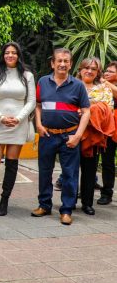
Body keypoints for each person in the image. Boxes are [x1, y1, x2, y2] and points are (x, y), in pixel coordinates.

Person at [32, 48, 90, 226]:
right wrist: (39, 125)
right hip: (47, 135)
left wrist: (78, 136)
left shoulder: (78, 85)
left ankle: (66, 210)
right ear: (52, 63)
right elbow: (38, 105)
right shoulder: (43, 81)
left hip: (69, 137)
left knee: (70, 174)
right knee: (44, 172)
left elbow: (86, 111)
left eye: (66, 61)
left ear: (71, 64)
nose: (62, 64)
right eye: (59, 61)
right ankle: (44, 205)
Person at [0, 42, 36, 216]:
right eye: (7, 53)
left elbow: (31, 101)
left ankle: (5, 199)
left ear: (19, 55)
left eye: (14, 53)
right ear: (3, 55)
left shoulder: (27, 75)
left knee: (12, 162)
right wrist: (0, 117)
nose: (10, 55)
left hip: (18, 124)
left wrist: (19, 119)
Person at [75, 57, 114, 216]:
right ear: (80, 69)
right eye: (87, 68)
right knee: (70, 171)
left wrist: (86, 111)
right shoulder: (72, 84)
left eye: (94, 69)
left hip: (93, 136)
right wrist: (91, 108)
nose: (89, 71)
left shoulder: (104, 88)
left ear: (98, 72)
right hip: (72, 132)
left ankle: (87, 203)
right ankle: (69, 201)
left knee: (90, 171)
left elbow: (108, 109)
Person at [99, 61, 117, 205]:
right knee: (107, 161)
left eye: (111, 71)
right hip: (108, 129)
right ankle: (106, 192)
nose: (106, 73)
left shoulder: (106, 85)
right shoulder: (101, 87)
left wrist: (105, 81)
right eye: (106, 71)